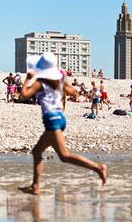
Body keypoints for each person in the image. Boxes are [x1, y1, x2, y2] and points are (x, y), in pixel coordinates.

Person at [17, 53, 107, 195]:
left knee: (64, 156)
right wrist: (63, 84)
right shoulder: (59, 81)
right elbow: (75, 92)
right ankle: (35, 186)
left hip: (52, 120)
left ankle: (98, 167)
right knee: (37, 152)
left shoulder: (40, 83)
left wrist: (27, 79)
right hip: (59, 118)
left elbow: (23, 96)